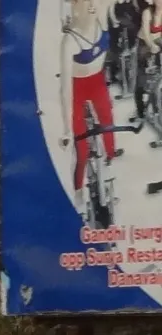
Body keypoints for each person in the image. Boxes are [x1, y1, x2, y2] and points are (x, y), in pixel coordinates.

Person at [62, 0, 125, 203]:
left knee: (108, 122)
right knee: (81, 148)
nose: (90, 3)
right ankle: (79, 190)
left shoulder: (100, 20)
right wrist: (65, 130)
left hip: (97, 82)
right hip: (76, 89)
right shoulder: (69, 41)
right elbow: (65, 89)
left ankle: (110, 157)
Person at [132, 0, 162, 124]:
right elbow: (145, 32)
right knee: (142, 80)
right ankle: (140, 110)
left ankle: (156, 109)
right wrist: (151, 46)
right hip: (145, 44)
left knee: (157, 78)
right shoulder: (147, 12)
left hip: (158, 42)